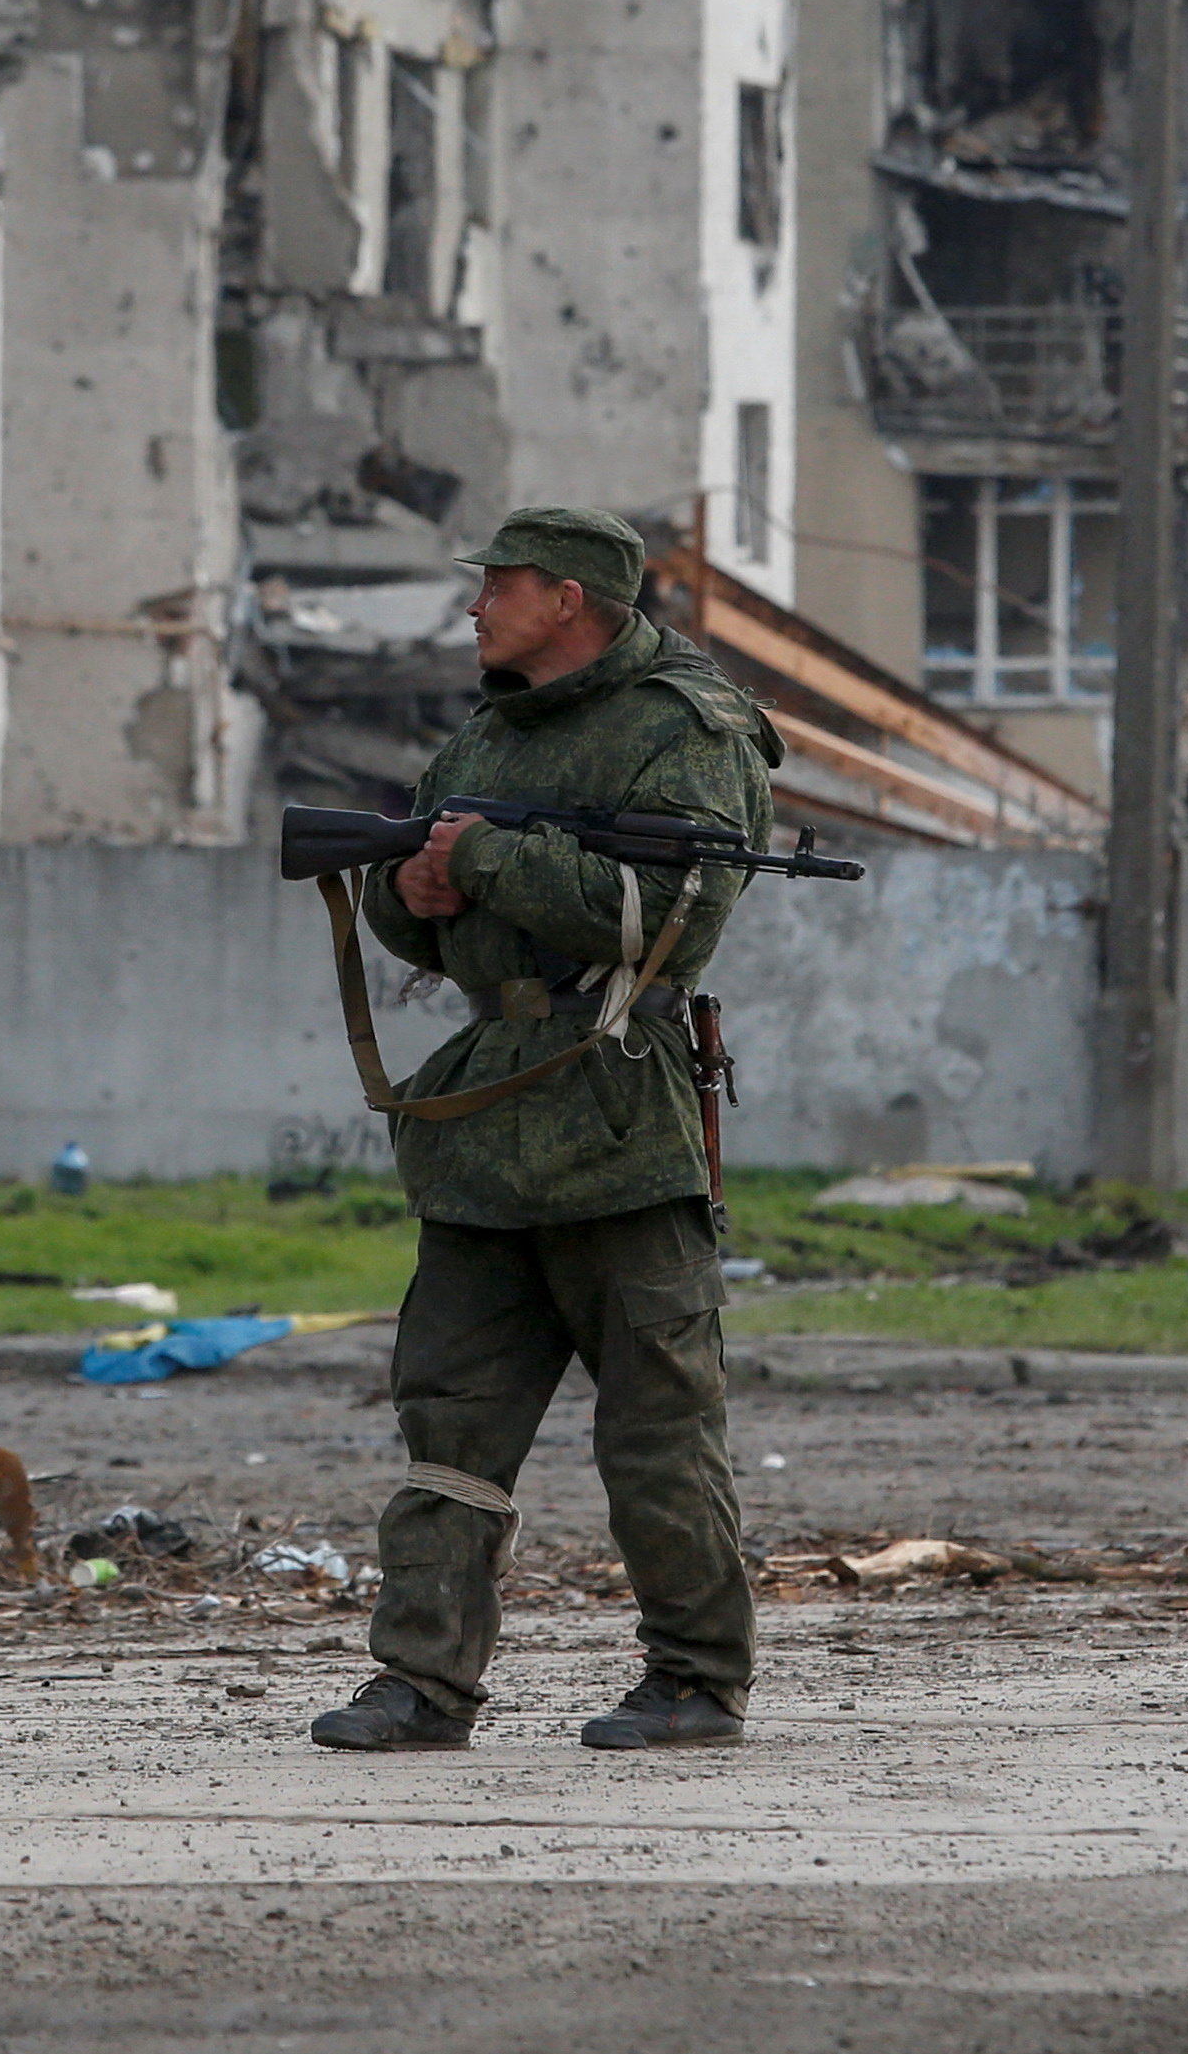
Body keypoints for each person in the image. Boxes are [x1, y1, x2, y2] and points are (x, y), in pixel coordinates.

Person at [309, 505, 785, 1757]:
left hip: (619, 1107)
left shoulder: (689, 728)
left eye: (499, 586)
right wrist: (408, 890)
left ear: (569, 598)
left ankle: (694, 1677)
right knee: (449, 1420)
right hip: (488, 1120)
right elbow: (424, 914)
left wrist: (490, 863)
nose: (475, 607)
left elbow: (675, 914)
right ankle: (421, 1681)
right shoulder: (483, 732)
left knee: (657, 1426)